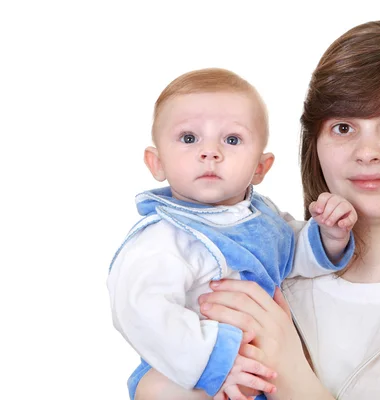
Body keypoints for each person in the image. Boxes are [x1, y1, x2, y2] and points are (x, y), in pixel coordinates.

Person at [131, 20, 380, 400]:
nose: (368, 152)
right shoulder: (251, 274)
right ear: (314, 146)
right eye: (343, 127)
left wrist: (292, 376)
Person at [107, 68, 358, 400]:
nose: (210, 152)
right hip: (188, 369)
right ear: (157, 163)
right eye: (188, 138)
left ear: (260, 168)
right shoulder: (165, 237)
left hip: (262, 369)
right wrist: (215, 362)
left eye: (232, 139)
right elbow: (142, 311)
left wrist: (329, 235)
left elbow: (292, 255)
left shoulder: (262, 219)